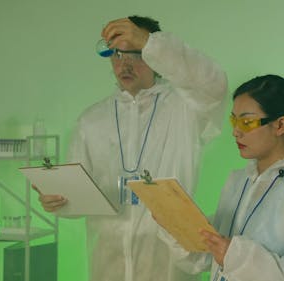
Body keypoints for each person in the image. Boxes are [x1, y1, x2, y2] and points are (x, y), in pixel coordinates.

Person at [34, 16, 228, 281]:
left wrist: (150, 42)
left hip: (168, 265)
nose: (123, 64)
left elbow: (213, 85)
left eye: (135, 54)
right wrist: (58, 200)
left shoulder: (184, 109)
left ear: (155, 57)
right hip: (107, 263)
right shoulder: (91, 121)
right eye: (116, 54)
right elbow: (80, 197)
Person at [160, 74, 284, 281]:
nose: (236, 132)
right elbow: (207, 258)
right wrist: (176, 223)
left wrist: (236, 256)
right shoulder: (238, 182)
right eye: (234, 120)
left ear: (280, 125)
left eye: (247, 122)